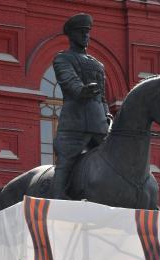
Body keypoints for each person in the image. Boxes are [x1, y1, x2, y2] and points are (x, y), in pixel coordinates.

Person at [50, 13, 111, 199]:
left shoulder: (97, 64)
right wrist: (82, 90)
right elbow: (69, 82)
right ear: (71, 35)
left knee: (117, 160)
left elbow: (102, 97)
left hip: (99, 125)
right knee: (65, 165)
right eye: (81, 32)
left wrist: (107, 115)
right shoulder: (63, 58)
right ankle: (55, 200)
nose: (85, 36)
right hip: (74, 125)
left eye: (87, 32)